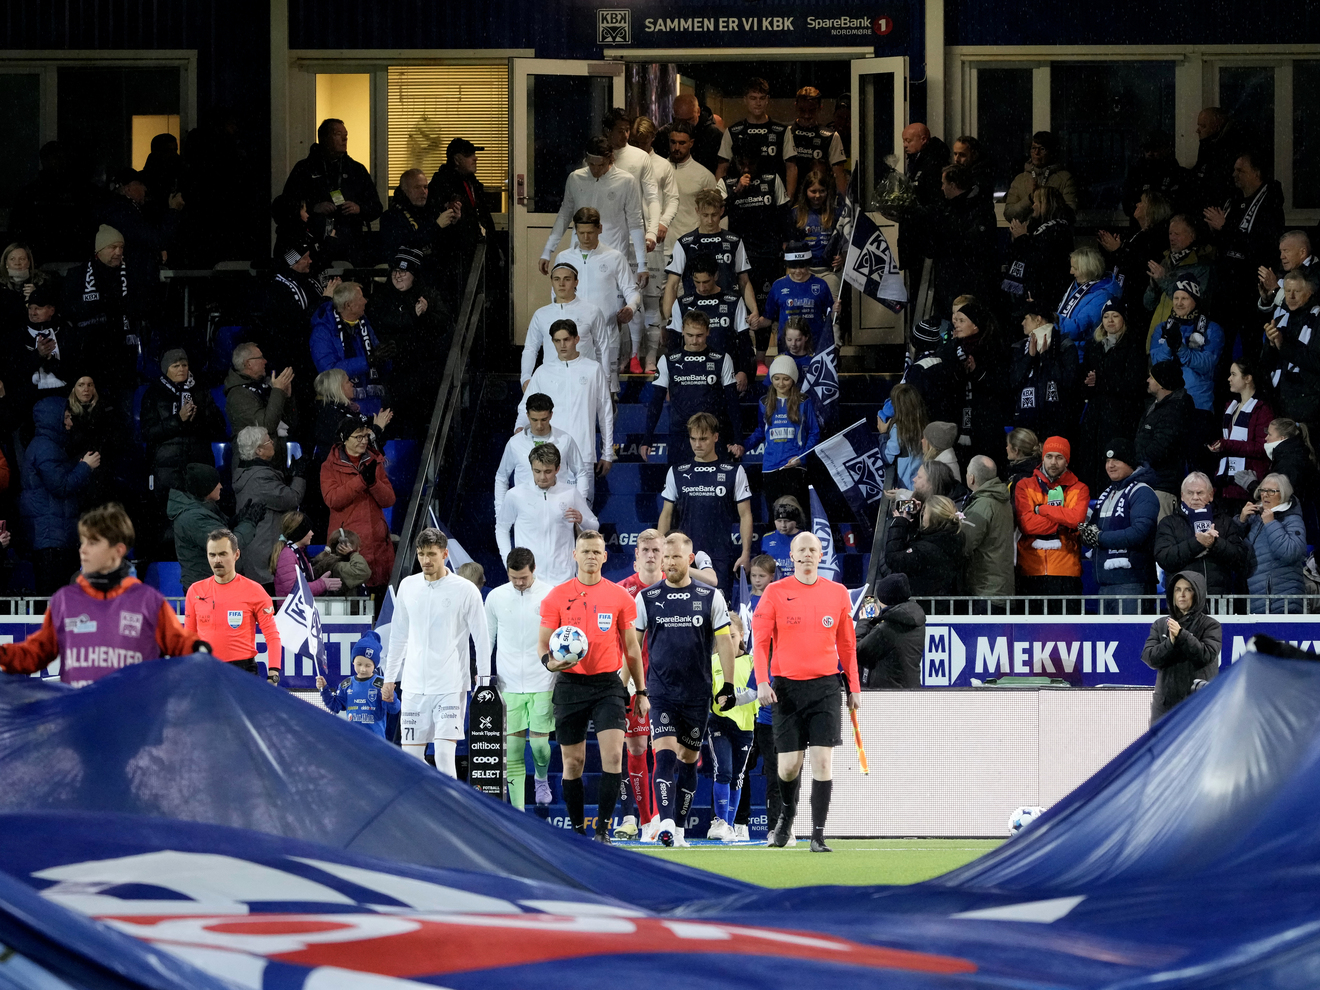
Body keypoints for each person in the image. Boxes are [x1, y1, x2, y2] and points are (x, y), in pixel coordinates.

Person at [0, 504, 199, 686]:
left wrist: (200, 650)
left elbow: (181, 646)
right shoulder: (65, 600)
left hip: (132, 721)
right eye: (82, 542)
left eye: (93, 543)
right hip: (81, 720)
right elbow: (35, 653)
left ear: (118, 550)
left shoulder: (148, 601)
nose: (83, 550)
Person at [754, 532, 860, 852]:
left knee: (823, 763)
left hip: (826, 686)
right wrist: (761, 681)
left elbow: (847, 645)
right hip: (786, 688)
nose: (808, 555)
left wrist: (854, 687)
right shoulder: (774, 592)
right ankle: (787, 815)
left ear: (821, 554)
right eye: (802, 550)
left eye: (814, 549)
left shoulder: (838, 593)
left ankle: (818, 834)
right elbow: (759, 643)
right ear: (792, 555)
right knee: (788, 766)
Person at [539, 530, 647, 840]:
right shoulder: (556, 596)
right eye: (584, 551)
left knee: (613, 757)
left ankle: (602, 830)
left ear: (604, 556)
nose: (590, 556)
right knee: (573, 762)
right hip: (570, 684)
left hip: (607, 686)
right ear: (575, 555)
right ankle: (575, 832)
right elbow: (542, 644)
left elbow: (631, 647)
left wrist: (640, 691)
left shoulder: (620, 597)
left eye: (595, 551)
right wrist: (551, 663)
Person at [634, 532, 736, 847]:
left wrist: (728, 686)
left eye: (675, 557)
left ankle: (677, 829)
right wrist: (636, 688)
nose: (669, 563)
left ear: (689, 560)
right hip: (660, 692)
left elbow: (725, 642)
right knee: (663, 757)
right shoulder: (646, 598)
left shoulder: (710, 596)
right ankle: (664, 822)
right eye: (665, 557)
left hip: (697, 693)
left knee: (689, 759)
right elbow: (633, 646)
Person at [383, 528, 490, 776]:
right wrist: (390, 678)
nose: (425, 560)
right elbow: (398, 636)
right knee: (411, 760)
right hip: (413, 687)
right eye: (421, 554)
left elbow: (481, 639)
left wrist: (483, 681)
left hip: (449, 686)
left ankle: (451, 811)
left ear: (445, 554)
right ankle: (423, 810)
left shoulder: (465, 590)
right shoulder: (408, 586)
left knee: (443, 755)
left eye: (431, 554)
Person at [655, 411, 754, 598]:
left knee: (721, 613)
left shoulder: (734, 471)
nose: (697, 445)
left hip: (720, 554)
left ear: (716, 437)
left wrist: (746, 553)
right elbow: (666, 514)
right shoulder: (676, 472)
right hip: (684, 555)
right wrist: (662, 551)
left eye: (703, 439)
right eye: (693, 439)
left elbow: (745, 515)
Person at [485, 547, 555, 810]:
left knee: (539, 747)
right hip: (508, 685)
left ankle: (541, 778)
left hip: (543, 683)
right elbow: (486, 640)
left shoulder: (550, 594)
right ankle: (518, 813)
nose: (518, 582)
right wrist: (483, 677)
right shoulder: (495, 597)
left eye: (523, 577)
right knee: (512, 752)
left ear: (533, 570)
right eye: (513, 577)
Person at [514, 319, 613, 501]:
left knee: (580, 515)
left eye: (566, 339)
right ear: (551, 342)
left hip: (583, 454)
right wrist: (519, 428)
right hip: (550, 456)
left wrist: (607, 452)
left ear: (577, 339)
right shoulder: (543, 372)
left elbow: (605, 411)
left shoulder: (593, 369)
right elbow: (525, 406)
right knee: (550, 512)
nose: (562, 345)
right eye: (557, 341)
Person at [1204, 151, 1285, 368]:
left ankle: (1252, 397)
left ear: (1257, 173)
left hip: (1250, 291)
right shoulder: (1234, 199)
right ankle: (1226, 396)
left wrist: (1225, 227)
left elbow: (1261, 246)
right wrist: (1216, 231)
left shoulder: (1270, 201)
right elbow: (1228, 242)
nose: (1234, 174)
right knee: (1221, 347)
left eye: (1241, 170)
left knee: (1250, 350)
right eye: (1234, 170)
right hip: (1225, 289)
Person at [551, 209, 642, 391]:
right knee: (574, 392)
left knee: (608, 394)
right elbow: (555, 297)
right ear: (575, 230)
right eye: (581, 232)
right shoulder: (564, 257)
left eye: (590, 232)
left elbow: (632, 290)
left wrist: (631, 308)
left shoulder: (614, 257)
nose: (585, 237)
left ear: (599, 229)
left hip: (607, 337)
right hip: (573, 339)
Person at [641, 311, 743, 465]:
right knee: (679, 487)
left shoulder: (722, 359)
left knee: (715, 487)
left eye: (699, 335)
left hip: (713, 435)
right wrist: (647, 438)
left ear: (708, 331)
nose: (694, 340)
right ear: (682, 330)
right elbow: (656, 401)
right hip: (681, 435)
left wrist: (738, 439)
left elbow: (732, 401)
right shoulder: (668, 360)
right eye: (689, 335)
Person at [183, 528, 283, 683]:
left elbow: (272, 635)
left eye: (223, 554)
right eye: (212, 555)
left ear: (236, 555)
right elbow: (189, 636)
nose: (217, 560)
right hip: (205, 671)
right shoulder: (195, 590)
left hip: (242, 672)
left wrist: (274, 673)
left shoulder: (255, 591)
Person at [21, 396, 99, 594]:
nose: (70, 422)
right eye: (66, 417)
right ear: (51, 419)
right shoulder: (45, 448)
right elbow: (61, 486)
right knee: (53, 599)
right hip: (51, 539)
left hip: (54, 536)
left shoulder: (50, 446)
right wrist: (85, 467)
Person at [538, 137, 646, 278]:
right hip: (580, 254)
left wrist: (642, 264)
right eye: (591, 164)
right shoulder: (575, 178)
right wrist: (547, 251)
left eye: (600, 165)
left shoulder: (626, 181)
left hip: (613, 254)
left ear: (610, 159)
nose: (595, 169)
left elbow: (635, 223)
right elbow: (564, 215)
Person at [366, 248, 446, 433]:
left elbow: (442, 325)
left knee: (416, 420)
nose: (398, 276)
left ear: (415, 274)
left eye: (404, 272)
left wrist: (425, 316)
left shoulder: (428, 294)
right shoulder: (381, 296)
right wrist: (412, 317)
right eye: (395, 271)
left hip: (420, 369)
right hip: (391, 370)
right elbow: (379, 321)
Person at [281, 118, 382, 265]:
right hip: (313, 246)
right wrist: (313, 208)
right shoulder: (305, 169)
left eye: (346, 134)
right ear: (323, 138)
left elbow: (376, 207)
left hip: (350, 246)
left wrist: (359, 209)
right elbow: (285, 205)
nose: (344, 138)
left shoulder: (356, 170)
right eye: (338, 134)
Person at [496, 443, 598, 587]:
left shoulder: (570, 493)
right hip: (530, 580)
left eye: (548, 471)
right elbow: (501, 528)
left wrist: (582, 519)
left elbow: (594, 526)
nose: (542, 477)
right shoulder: (515, 495)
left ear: (558, 469)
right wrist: (509, 561)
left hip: (564, 579)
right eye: (537, 471)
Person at [1078, 438, 1161, 615]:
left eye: (1116, 460)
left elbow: (1139, 533)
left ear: (1130, 462)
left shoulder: (1142, 491)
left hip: (1132, 583)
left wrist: (1099, 537)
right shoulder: (1107, 493)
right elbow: (1092, 531)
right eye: (1107, 461)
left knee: (1131, 640)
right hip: (1105, 583)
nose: (1110, 465)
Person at [62, 225, 148, 386]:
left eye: (121, 247)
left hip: (124, 352)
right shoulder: (78, 275)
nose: (118, 252)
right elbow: (68, 310)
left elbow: (143, 307)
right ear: (99, 250)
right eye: (112, 247)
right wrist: (98, 305)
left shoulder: (133, 273)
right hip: (88, 352)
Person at [1078, 301, 1149, 491]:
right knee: (1091, 458)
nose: (1110, 320)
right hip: (1095, 414)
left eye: (1115, 315)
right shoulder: (1094, 346)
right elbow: (1085, 379)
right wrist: (1088, 383)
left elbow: (1135, 384)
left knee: (1113, 458)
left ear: (1124, 320)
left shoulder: (1133, 345)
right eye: (1106, 316)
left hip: (1121, 416)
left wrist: (1101, 382)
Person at [320, 415, 396, 589]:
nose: (364, 441)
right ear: (344, 439)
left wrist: (374, 483)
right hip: (348, 543)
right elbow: (333, 499)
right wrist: (361, 482)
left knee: (380, 597)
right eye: (358, 437)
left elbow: (389, 499)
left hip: (378, 544)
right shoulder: (329, 466)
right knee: (353, 602)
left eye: (366, 436)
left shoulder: (374, 460)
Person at [141, 349, 225, 504]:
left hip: (199, 465)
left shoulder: (200, 390)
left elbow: (219, 426)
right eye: (175, 366)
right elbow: (148, 432)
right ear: (166, 369)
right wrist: (178, 420)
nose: (181, 369)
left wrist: (197, 418)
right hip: (167, 469)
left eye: (184, 365)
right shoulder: (153, 393)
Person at [630, 116, 681, 374]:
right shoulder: (624, 161)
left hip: (653, 242)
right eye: (634, 141)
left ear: (652, 139)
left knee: (651, 301)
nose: (639, 146)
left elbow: (672, 199)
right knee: (628, 301)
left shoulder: (662, 166)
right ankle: (630, 356)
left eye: (643, 141)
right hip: (628, 240)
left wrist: (662, 222)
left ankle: (650, 358)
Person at [1013, 436, 1090, 605]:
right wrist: (1062, 521)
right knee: (1031, 631)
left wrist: (1042, 509)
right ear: (1042, 458)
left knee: (1066, 631)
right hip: (1031, 569)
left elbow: (1076, 520)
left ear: (1067, 461)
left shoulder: (1080, 488)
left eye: (1059, 457)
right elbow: (1027, 524)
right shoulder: (1024, 485)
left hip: (1066, 571)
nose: (1053, 462)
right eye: (1049, 456)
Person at [232, 426, 308, 588]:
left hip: (256, 549)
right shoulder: (260, 478)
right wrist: (299, 475)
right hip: (266, 555)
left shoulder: (247, 473)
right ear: (258, 450)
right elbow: (292, 498)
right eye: (268, 440)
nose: (272, 442)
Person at [1141, 572, 1221, 725]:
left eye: (1188, 589)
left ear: (1198, 593)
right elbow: (1149, 658)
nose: (1182, 595)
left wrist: (1182, 635)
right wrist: (1170, 643)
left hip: (1199, 705)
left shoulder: (1211, 625)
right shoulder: (1160, 624)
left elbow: (1205, 656)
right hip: (1165, 708)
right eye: (1177, 589)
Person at [1154, 471, 1249, 600]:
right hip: (1183, 601)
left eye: (1200, 493)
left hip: (1219, 599)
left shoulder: (1225, 521)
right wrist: (1197, 544)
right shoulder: (1169, 523)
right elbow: (1164, 558)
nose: (1195, 497)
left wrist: (1215, 543)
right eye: (1190, 493)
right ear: (1182, 496)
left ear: (1211, 495)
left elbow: (1239, 558)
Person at [664, 191, 756, 322]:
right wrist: (670, 319)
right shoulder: (685, 243)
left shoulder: (734, 241)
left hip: (727, 313)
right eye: (705, 215)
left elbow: (744, 281)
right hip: (694, 314)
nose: (710, 220)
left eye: (714, 215)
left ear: (722, 211)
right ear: (697, 211)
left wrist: (754, 311)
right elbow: (672, 284)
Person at [706, 609, 757, 842]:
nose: (728, 641)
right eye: (723, 636)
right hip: (719, 722)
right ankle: (721, 822)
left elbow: (758, 690)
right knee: (723, 770)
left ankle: (731, 825)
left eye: (733, 636)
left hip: (746, 726)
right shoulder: (712, 661)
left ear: (742, 636)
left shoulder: (752, 662)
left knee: (738, 774)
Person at [167, 463, 261, 588]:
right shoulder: (194, 518)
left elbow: (220, 530)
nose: (220, 486)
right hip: (207, 590)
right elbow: (226, 544)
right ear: (205, 487)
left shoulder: (202, 509)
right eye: (216, 483)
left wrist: (237, 520)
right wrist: (249, 523)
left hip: (214, 585)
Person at [1149, 280, 1225, 435]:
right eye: (1176, 298)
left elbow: (1207, 364)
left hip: (1198, 404)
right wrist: (1169, 344)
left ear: (1195, 300)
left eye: (1184, 298)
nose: (1179, 303)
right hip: (1166, 403)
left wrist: (1181, 349)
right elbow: (1157, 364)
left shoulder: (1212, 329)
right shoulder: (1162, 328)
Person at [495, 393, 588, 516]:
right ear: (527, 416)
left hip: (559, 511)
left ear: (551, 415)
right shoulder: (514, 443)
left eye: (543, 419)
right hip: (525, 512)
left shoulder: (565, 440)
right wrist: (501, 512)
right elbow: (501, 477)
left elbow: (581, 473)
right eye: (534, 420)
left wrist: (579, 505)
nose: (539, 425)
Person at [746, 356, 819, 513]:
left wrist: (802, 458)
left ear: (793, 379)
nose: (781, 383)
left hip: (794, 466)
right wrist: (742, 446)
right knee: (775, 514)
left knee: (796, 514)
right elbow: (761, 431)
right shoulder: (764, 402)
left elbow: (814, 432)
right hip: (770, 467)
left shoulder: (803, 401)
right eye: (776, 378)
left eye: (786, 379)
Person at [668, 253, 754, 386]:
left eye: (706, 282)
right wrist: (671, 375)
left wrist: (743, 371)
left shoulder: (734, 302)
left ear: (716, 276)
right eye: (697, 282)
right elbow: (674, 342)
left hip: (726, 371)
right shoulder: (682, 303)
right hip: (690, 373)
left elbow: (744, 340)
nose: (702, 287)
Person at [924, 165, 998, 316]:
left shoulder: (979, 209)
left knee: (966, 318)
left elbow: (972, 243)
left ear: (953, 185)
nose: (942, 188)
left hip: (968, 279)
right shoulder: (947, 206)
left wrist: (943, 240)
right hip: (949, 277)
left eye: (944, 184)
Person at [522, 262, 608, 389]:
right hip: (551, 381)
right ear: (551, 281)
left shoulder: (592, 311)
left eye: (567, 279)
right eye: (557, 279)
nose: (561, 284)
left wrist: (606, 380)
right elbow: (531, 348)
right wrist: (525, 377)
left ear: (576, 282)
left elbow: (602, 347)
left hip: (584, 381)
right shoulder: (541, 314)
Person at [943, 300, 1009, 467]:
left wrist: (978, 373)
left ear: (976, 325)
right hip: (960, 425)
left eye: (962, 321)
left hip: (987, 428)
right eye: (955, 321)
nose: (956, 325)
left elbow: (1002, 387)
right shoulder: (953, 348)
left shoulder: (993, 349)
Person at [1098, 191, 1174, 330]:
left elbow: (1141, 267)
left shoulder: (1158, 237)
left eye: (1142, 202)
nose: (1137, 204)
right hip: (1127, 302)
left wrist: (1118, 251)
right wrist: (1113, 249)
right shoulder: (1138, 233)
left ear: (1152, 208)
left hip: (1140, 308)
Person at [309, 281, 387, 413]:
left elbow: (378, 361)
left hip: (374, 403)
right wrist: (367, 361)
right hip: (345, 406)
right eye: (361, 298)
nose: (365, 301)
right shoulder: (322, 332)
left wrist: (386, 356)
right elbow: (329, 372)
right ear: (348, 305)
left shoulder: (364, 324)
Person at [1209, 359, 1274, 512]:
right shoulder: (1231, 407)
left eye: (1233, 374)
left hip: (1246, 487)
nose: (1229, 379)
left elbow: (1262, 448)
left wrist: (1226, 445)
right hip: (1225, 484)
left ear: (1247, 378)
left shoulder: (1262, 409)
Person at [1010, 299, 1079, 440]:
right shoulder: (1020, 347)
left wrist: (1047, 358)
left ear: (1038, 320)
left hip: (1056, 423)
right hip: (1025, 423)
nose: (1022, 323)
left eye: (1026, 318)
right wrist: (1030, 357)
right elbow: (1013, 383)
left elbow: (1068, 383)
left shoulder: (1064, 345)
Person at [1239, 472, 1307, 614]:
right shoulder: (1255, 518)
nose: (1265, 495)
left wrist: (1271, 524)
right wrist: (1241, 521)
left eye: (1271, 491)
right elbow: (1236, 548)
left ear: (1282, 494)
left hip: (1284, 602)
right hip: (1258, 601)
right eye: (1263, 490)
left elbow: (1291, 553)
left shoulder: (1292, 519)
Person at [1263, 268, 1320, 433]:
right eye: (1287, 291)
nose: (1291, 296)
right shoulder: (1281, 318)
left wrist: (1283, 345)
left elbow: (1316, 361)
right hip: (1281, 402)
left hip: (1308, 409)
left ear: (1309, 292)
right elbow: (1266, 364)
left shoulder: (1317, 319)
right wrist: (1272, 344)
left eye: (1297, 291)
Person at [1136, 361, 1196, 519]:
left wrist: (1138, 462)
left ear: (1162, 383)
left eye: (1151, 377)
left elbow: (1161, 447)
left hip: (1163, 487)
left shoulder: (1174, 411)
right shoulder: (1156, 406)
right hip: (1150, 483)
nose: (1148, 380)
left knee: (1162, 537)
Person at [1144, 215, 1215, 343]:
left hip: (1184, 339)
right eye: (1170, 233)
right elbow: (1148, 304)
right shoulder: (1165, 262)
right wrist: (1153, 285)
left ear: (1192, 236)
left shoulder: (1201, 266)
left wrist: (1163, 280)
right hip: (1157, 338)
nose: (1172, 238)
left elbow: (1198, 303)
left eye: (1177, 234)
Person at [224, 342, 297, 464]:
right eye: (260, 358)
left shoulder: (264, 386)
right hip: (253, 467)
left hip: (274, 463)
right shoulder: (238, 394)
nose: (265, 361)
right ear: (248, 363)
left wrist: (286, 397)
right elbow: (266, 426)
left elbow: (291, 424)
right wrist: (277, 391)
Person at [13, 280, 83, 409]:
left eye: (38, 308)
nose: (33, 313)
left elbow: (76, 373)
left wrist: (50, 360)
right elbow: (15, 374)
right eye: (30, 308)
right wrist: (37, 356)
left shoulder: (67, 333)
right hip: (29, 400)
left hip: (65, 396)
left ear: (51, 310)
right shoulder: (18, 336)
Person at [759, 242, 838, 356]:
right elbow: (768, 318)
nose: (798, 271)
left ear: (808, 264)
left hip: (815, 349)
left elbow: (831, 316)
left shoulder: (821, 285)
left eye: (802, 266)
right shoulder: (778, 286)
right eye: (793, 267)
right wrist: (754, 322)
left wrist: (836, 311)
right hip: (787, 350)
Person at [663, 123, 724, 269]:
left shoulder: (703, 176)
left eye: (682, 143)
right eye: (673, 142)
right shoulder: (656, 170)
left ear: (691, 143)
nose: (677, 147)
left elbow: (718, 213)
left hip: (691, 248)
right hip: (661, 248)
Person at [315, 632, 398, 737]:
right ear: (353, 662)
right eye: (359, 664)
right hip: (353, 741)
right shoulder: (346, 685)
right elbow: (334, 706)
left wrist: (391, 699)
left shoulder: (382, 683)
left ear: (375, 665)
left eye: (368, 665)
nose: (363, 669)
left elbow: (394, 710)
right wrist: (324, 689)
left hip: (377, 742)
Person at [884, 494, 964, 598]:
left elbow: (893, 558)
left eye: (924, 513)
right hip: (941, 600)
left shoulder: (926, 550)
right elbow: (923, 537)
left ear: (933, 519)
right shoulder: (953, 537)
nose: (922, 515)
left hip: (924, 605)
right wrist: (915, 517)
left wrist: (899, 523)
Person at [855, 573, 924, 689]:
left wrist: (864, 622)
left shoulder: (887, 628)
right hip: (909, 689)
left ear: (884, 597)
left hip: (888, 694)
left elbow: (857, 651)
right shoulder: (913, 618)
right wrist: (878, 620)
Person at [378, 168, 456, 269]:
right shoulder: (391, 217)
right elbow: (405, 245)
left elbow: (447, 246)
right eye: (417, 187)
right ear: (404, 190)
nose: (423, 191)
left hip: (436, 273)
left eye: (425, 187)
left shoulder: (432, 213)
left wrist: (454, 222)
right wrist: (436, 227)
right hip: (406, 274)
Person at [960, 455, 1015, 601]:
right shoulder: (1001, 500)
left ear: (971, 478)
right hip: (1000, 586)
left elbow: (964, 543)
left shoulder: (982, 505)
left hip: (984, 589)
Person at [783, 168, 843, 299]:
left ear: (827, 191)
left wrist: (842, 258)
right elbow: (789, 247)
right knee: (803, 310)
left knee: (832, 312)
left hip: (829, 271)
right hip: (803, 270)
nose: (817, 195)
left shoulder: (836, 213)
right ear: (805, 191)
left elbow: (844, 243)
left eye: (822, 191)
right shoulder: (796, 214)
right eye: (813, 191)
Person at [1054, 246, 1120, 358]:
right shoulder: (1077, 287)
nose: (1071, 272)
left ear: (1086, 269)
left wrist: (1051, 319)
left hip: (1080, 355)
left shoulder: (1102, 296)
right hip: (1066, 350)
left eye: (1075, 268)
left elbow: (1078, 328)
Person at [783, 87, 847, 197]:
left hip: (820, 199)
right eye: (802, 110)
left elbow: (839, 175)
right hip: (791, 199)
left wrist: (844, 205)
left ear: (820, 108)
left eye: (812, 110)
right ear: (795, 107)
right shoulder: (785, 132)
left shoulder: (831, 137)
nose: (807, 115)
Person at [1003, 131, 1078, 222]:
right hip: (1025, 235)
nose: (1036, 152)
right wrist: (1030, 198)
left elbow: (1070, 213)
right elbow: (1009, 214)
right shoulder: (1020, 180)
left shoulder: (1064, 179)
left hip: (1053, 234)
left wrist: (1046, 198)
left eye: (1042, 149)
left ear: (1051, 152)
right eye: (1033, 148)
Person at [270, 511, 345, 598]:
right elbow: (293, 590)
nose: (312, 533)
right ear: (300, 532)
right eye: (308, 530)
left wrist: (320, 581)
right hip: (293, 611)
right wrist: (321, 584)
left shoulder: (300, 553)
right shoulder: (288, 555)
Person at [876, 383, 929, 492]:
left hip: (905, 487)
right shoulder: (924, 424)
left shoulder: (899, 428)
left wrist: (883, 434)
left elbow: (887, 458)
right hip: (922, 484)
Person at [657, 94, 726, 175]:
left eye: (689, 119)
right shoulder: (663, 134)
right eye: (679, 120)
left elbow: (722, 167)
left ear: (698, 111)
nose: (684, 125)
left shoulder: (714, 136)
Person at [1258, 230, 1316, 319]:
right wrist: (1267, 299)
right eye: (1281, 251)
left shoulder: (1316, 274)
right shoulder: (1281, 275)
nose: (1282, 256)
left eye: (1286, 251)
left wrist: (1275, 289)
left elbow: (1305, 309)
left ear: (1302, 252)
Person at [309, 527, 371, 596]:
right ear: (344, 547)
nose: (359, 548)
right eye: (356, 546)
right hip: (342, 606)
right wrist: (352, 553)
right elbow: (362, 571)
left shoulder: (329, 562)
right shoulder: (337, 567)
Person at [902, 123, 952, 207]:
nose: (905, 145)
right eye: (904, 141)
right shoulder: (915, 160)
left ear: (923, 140)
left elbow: (934, 195)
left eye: (908, 141)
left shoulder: (935, 161)